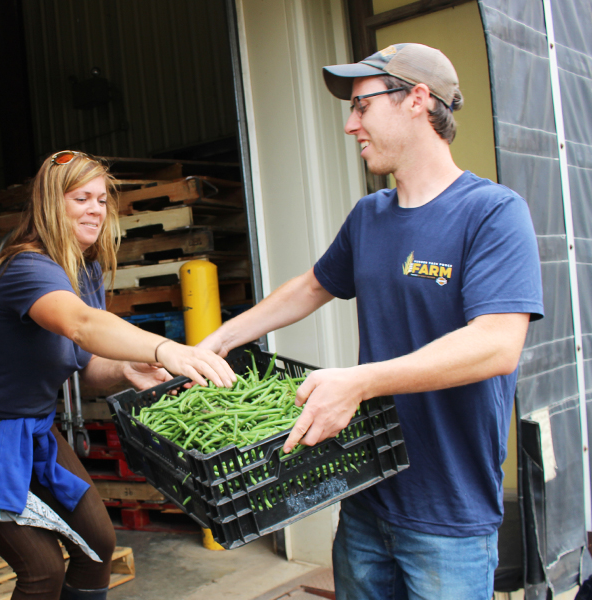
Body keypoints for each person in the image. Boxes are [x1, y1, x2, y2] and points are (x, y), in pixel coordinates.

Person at [198, 44, 543, 600]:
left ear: (417, 101)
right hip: (366, 496)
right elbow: (312, 285)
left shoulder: (492, 213)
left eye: (361, 105)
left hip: (447, 513)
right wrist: (218, 340)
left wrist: (359, 381)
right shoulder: (369, 216)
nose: (349, 124)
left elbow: (497, 344)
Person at [0, 150, 236, 600]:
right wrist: (165, 347)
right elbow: (80, 325)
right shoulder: (26, 267)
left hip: (33, 432)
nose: (95, 210)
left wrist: (126, 368)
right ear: (50, 204)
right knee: (42, 570)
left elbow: (84, 366)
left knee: (98, 545)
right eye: (80, 198)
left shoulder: (84, 272)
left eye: (102, 200)